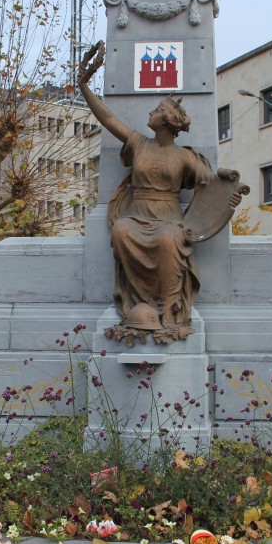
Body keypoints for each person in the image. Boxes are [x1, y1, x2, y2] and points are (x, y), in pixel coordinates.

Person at [76, 42, 241, 340]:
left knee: (168, 240)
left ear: (165, 121)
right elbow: (108, 119)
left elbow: (209, 181)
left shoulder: (184, 156)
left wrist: (226, 176)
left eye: (155, 111)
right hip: (136, 212)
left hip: (168, 217)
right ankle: (139, 305)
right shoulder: (139, 143)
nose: (149, 113)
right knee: (122, 231)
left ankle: (167, 309)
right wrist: (84, 87)